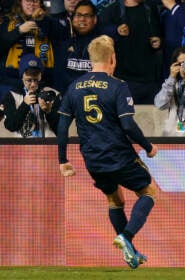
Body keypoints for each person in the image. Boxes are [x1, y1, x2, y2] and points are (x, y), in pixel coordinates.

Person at [57, 35, 158, 269]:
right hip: (119, 154)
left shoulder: (74, 87)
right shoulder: (118, 86)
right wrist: (148, 147)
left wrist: (63, 160)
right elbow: (128, 125)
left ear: (91, 61)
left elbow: (63, 126)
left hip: (92, 159)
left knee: (115, 199)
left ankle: (130, 252)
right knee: (149, 191)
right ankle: (127, 237)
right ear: (112, 59)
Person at [98, 0, 162, 104]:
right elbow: (99, 31)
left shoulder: (150, 9)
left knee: (151, 118)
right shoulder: (112, 10)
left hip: (150, 80)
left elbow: (158, 32)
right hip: (123, 79)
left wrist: (158, 42)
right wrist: (116, 30)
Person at [0, 0, 55, 101]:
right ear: (20, 2)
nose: (31, 3)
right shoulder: (7, 20)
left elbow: (59, 39)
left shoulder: (49, 21)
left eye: (35, 1)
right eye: (28, 0)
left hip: (41, 82)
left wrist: (41, 21)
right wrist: (19, 31)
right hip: (11, 81)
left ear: (40, 3)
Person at [1, 53, 60, 137]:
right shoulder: (11, 96)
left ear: (41, 76)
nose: (33, 84)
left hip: (47, 147)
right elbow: (11, 126)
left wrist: (48, 112)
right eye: (29, 80)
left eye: (36, 80)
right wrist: (24, 105)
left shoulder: (52, 94)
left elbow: (60, 130)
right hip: (21, 147)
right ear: (22, 77)